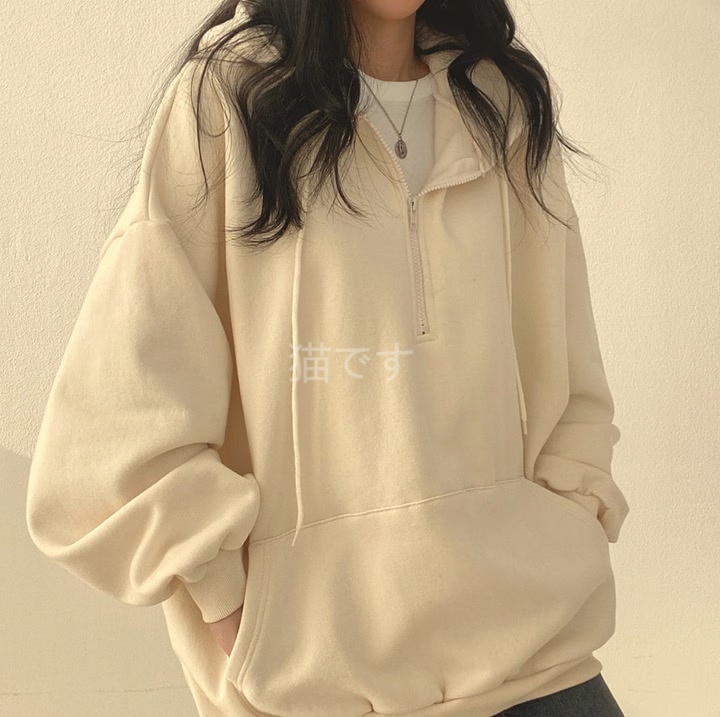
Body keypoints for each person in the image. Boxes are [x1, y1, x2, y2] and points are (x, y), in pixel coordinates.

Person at [25, 0, 631, 715]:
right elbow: (117, 419)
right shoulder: (234, 99)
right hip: (320, 682)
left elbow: (571, 364)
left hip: (538, 655)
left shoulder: (502, 104)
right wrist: (236, 607)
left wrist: (572, 518)